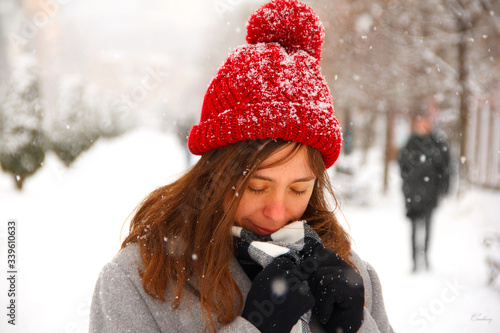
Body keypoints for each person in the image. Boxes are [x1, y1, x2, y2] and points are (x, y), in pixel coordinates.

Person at [89, 1, 394, 332]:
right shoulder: (139, 282)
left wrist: (359, 325)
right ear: (215, 174)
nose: (277, 212)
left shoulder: (350, 272)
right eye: (257, 187)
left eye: (298, 189)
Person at [397, 114, 451, 272]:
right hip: (412, 194)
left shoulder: (437, 142)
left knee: (428, 226)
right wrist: (407, 184)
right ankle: (414, 261)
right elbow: (402, 165)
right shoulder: (410, 142)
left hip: (430, 193)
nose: (422, 125)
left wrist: (444, 189)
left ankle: (425, 257)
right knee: (413, 228)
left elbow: (445, 168)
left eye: (425, 122)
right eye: (420, 122)